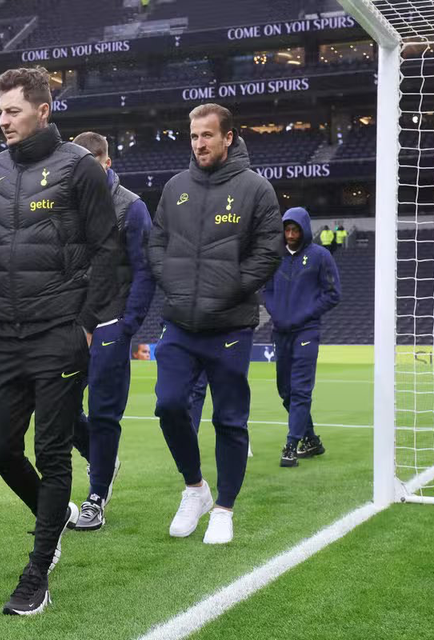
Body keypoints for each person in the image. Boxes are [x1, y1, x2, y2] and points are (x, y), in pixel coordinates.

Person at [0, 66, 119, 615]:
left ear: (43, 111)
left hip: (59, 331)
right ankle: (53, 520)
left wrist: (85, 323)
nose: (1, 121)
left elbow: (107, 250)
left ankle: (37, 570)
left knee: (51, 454)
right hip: (3, 332)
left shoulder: (80, 168)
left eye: (11, 111)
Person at [147, 103, 281, 545]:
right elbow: (158, 242)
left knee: (229, 419)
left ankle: (224, 507)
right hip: (180, 323)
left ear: (228, 137)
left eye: (207, 135)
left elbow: (268, 249)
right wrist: (173, 283)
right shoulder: (175, 187)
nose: (199, 143)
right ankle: (195, 489)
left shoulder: (256, 189)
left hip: (230, 326)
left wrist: (231, 288)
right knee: (168, 405)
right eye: (193, 136)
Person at [69, 131, 155, 531]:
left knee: (104, 413)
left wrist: (126, 326)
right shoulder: (68, 204)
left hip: (110, 320)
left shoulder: (131, 208)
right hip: (71, 318)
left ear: (105, 162)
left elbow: (144, 271)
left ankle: (96, 496)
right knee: (58, 406)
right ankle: (102, 457)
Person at [263, 207, 341, 467]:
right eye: (287, 229)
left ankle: (291, 444)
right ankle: (311, 440)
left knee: (300, 390)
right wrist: (276, 313)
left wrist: (305, 314)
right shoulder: (277, 257)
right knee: (284, 390)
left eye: (295, 229)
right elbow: (268, 290)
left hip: (307, 332)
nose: (291, 234)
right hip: (280, 332)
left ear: (304, 229)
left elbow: (333, 294)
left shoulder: (321, 256)